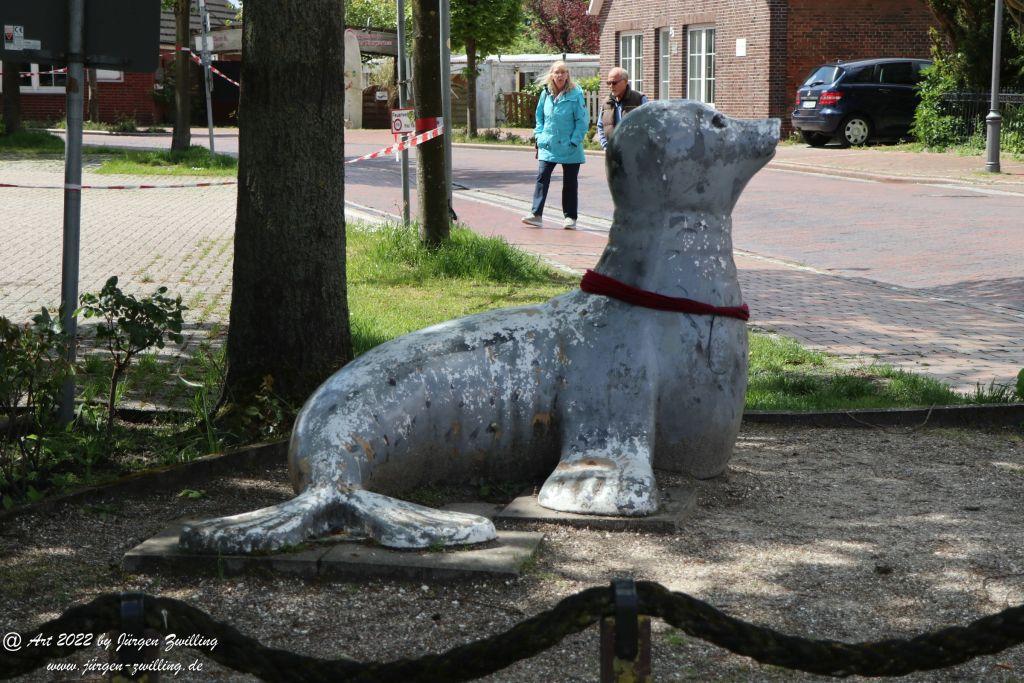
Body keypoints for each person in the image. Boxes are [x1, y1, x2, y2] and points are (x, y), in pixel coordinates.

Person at [522, 61, 589, 230]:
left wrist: (575, 141)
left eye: (563, 72)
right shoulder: (545, 93)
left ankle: (570, 217)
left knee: (570, 182)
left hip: (570, 146)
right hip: (548, 144)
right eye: (557, 72)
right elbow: (539, 118)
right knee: (542, 178)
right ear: (552, 75)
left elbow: (582, 121)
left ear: (568, 75)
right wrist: (539, 136)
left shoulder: (576, 94)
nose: (560, 75)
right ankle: (536, 214)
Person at [597, 67, 648, 149]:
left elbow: (648, 124)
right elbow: (600, 126)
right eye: (608, 83)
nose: (611, 86)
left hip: (635, 153)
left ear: (625, 82)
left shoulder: (639, 99)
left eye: (614, 83)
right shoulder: (606, 103)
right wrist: (606, 146)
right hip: (613, 153)